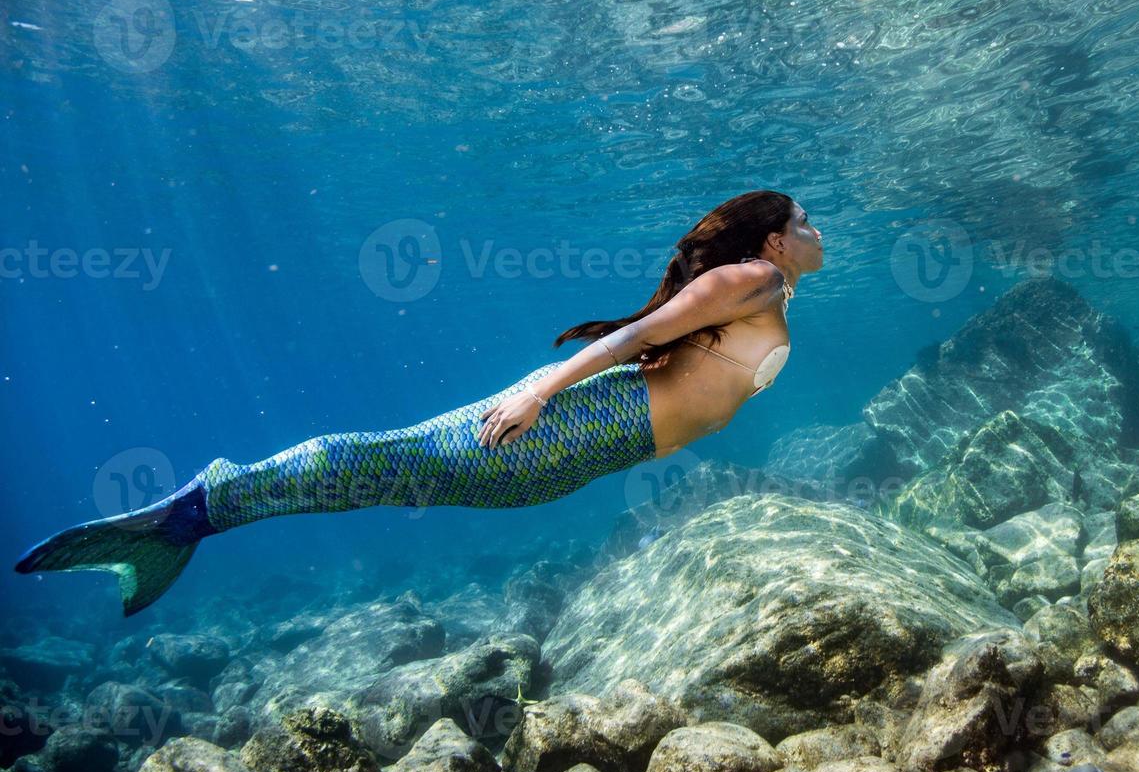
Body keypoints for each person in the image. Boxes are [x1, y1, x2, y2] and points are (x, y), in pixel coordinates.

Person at [14, 190, 824, 616]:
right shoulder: (753, 280)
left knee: (400, 469)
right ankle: (197, 507)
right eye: (805, 220)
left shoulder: (767, 289)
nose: (818, 231)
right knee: (396, 462)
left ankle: (199, 514)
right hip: (581, 424)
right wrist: (539, 394)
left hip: (596, 444)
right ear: (774, 241)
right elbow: (627, 340)